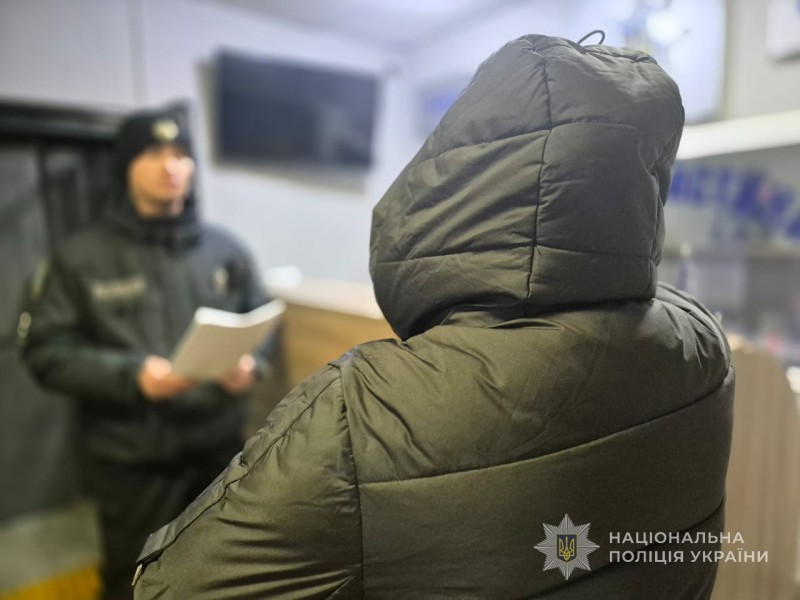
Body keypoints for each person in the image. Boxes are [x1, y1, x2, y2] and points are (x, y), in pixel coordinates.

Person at [133, 35, 734, 599]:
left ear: (448, 182)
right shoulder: (702, 344)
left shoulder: (360, 414)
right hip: (136, 453)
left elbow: (171, 587)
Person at [20, 106, 273, 600]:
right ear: (126, 167)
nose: (170, 166)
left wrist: (251, 364)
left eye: (180, 154)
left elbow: (261, 322)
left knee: (227, 574)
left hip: (219, 454)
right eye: (153, 154)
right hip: (133, 463)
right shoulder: (81, 258)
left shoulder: (225, 250)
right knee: (135, 582)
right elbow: (46, 350)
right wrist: (133, 376)